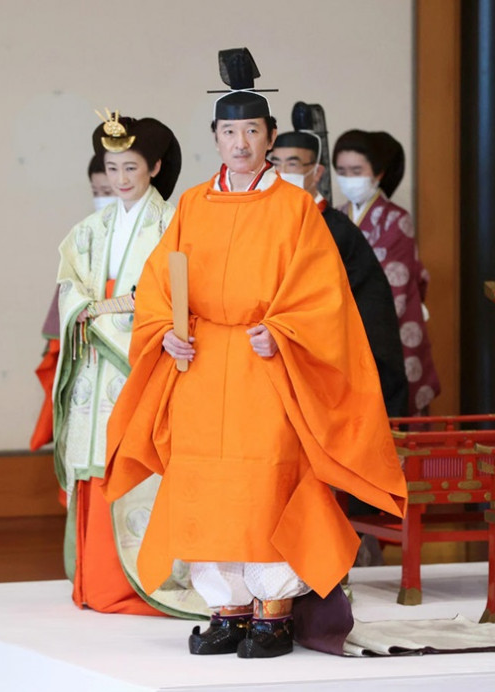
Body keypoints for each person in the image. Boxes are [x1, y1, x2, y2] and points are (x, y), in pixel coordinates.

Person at [102, 48, 407, 658]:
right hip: (200, 361)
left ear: (269, 136)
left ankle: (274, 613)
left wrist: (285, 330)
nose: (239, 143)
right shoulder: (193, 204)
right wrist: (165, 329)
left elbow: (323, 294)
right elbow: (159, 282)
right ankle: (227, 609)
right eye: (228, 131)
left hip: (266, 365)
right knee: (206, 486)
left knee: (267, 482)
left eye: (250, 131)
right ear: (215, 137)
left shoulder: (294, 207)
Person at [52, 111, 185, 616]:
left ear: (155, 167)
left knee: (137, 463)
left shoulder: (173, 224)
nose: (121, 178)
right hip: (95, 365)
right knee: (94, 458)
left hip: (143, 363)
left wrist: (99, 315)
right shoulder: (91, 228)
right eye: (112, 168)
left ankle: (140, 583)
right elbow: (70, 288)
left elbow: (170, 299)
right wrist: (86, 311)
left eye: (131, 167)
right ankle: (95, 581)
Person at [269, 127, 408, 418]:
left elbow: (356, 305)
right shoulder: (268, 222)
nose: (282, 173)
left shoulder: (336, 229)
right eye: (275, 164)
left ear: (316, 172)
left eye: (292, 164)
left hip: (331, 354)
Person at [333, 130, 440, 415]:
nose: (348, 178)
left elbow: (396, 282)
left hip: (387, 324)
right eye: (342, 171)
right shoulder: (336, 217)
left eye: (356, 171)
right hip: (343, 325)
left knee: (392, 405)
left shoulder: (396, 220)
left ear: (378, 173)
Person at [30, 155, 116, 452]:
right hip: (85, 353)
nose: (103, 198)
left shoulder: (154, 232)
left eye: (109, 191)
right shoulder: (84, 236)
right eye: (97, 191)